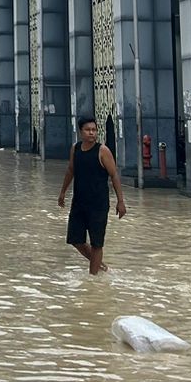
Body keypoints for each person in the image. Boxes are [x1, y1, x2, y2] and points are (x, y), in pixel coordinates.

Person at [56, 115, 127, 275]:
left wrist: (120, 201)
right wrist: (62, 192)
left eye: (94, 130)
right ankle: (101, 266)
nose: (91, 133)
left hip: (99, 204)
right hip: (79, 202)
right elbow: (70, 170)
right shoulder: (75, 149)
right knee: (75, 240)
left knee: (97, 243)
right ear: (81, 132)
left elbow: (114, 175)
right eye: (88, 130)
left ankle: (93, 278)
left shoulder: (103, 151)